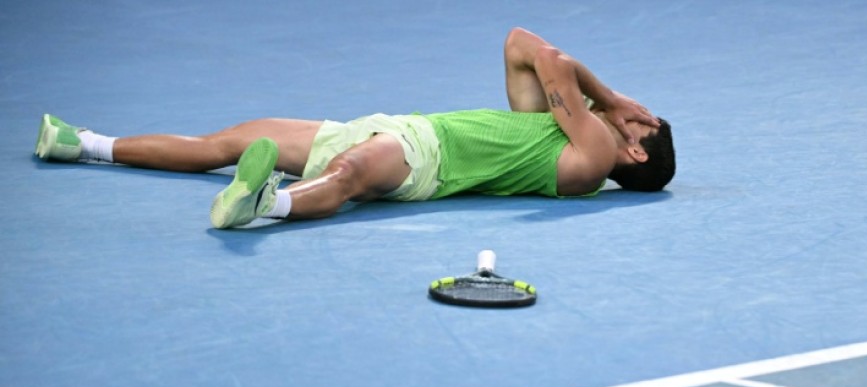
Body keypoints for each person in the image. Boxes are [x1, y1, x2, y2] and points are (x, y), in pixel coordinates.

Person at [34, 27, 675, 229]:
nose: (627, 117)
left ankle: (265, 205)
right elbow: (520, 44)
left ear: (636, 154)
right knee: (221, 143)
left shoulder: (593, 155)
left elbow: (554, 60)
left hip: (428, 162)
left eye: (640, 125)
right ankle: (83, 143)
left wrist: (610, 99)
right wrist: (608, 102)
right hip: (396, 129)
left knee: (346, 176)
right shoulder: (557, 134)